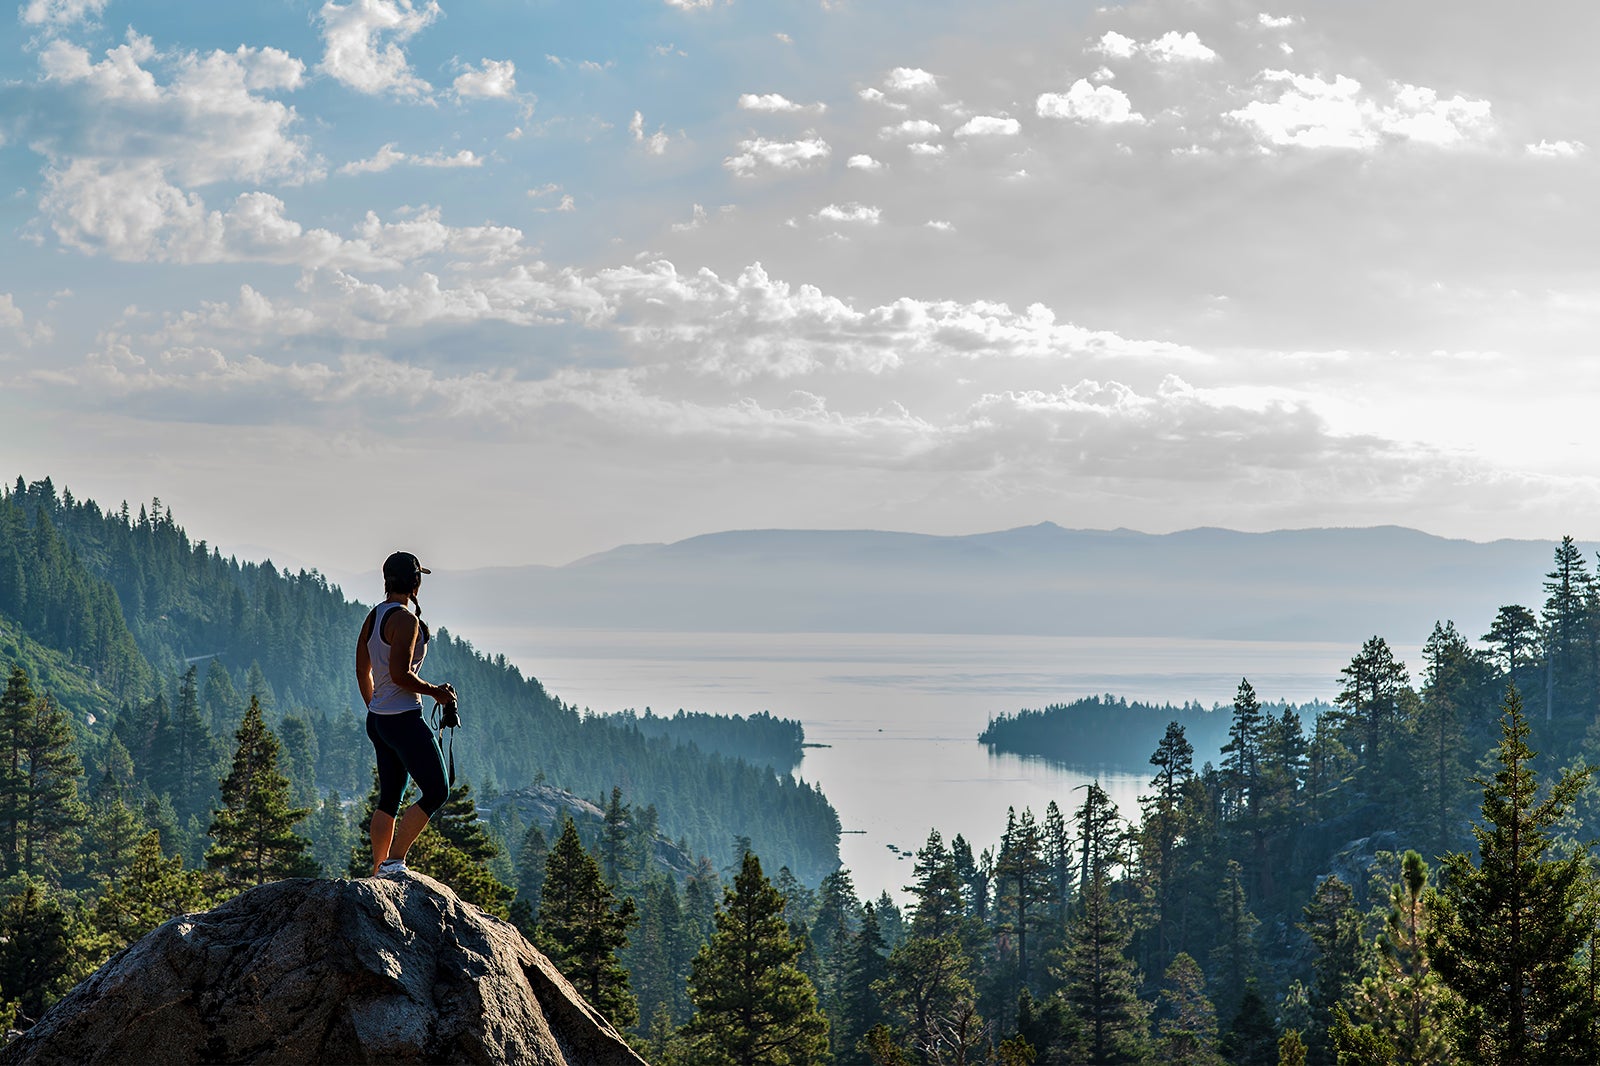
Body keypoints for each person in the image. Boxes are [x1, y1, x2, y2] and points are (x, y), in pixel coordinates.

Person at [355, 550, 456, 878]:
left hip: (379, 720)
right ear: (415, 584)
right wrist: (437, 693)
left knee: (390, 797)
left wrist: (375, 706)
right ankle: (395, 862)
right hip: (403, 719)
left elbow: (362, 670)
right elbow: (400, 674)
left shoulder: (374, 617)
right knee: (438, 790)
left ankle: (377, 870)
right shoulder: (406, 620)